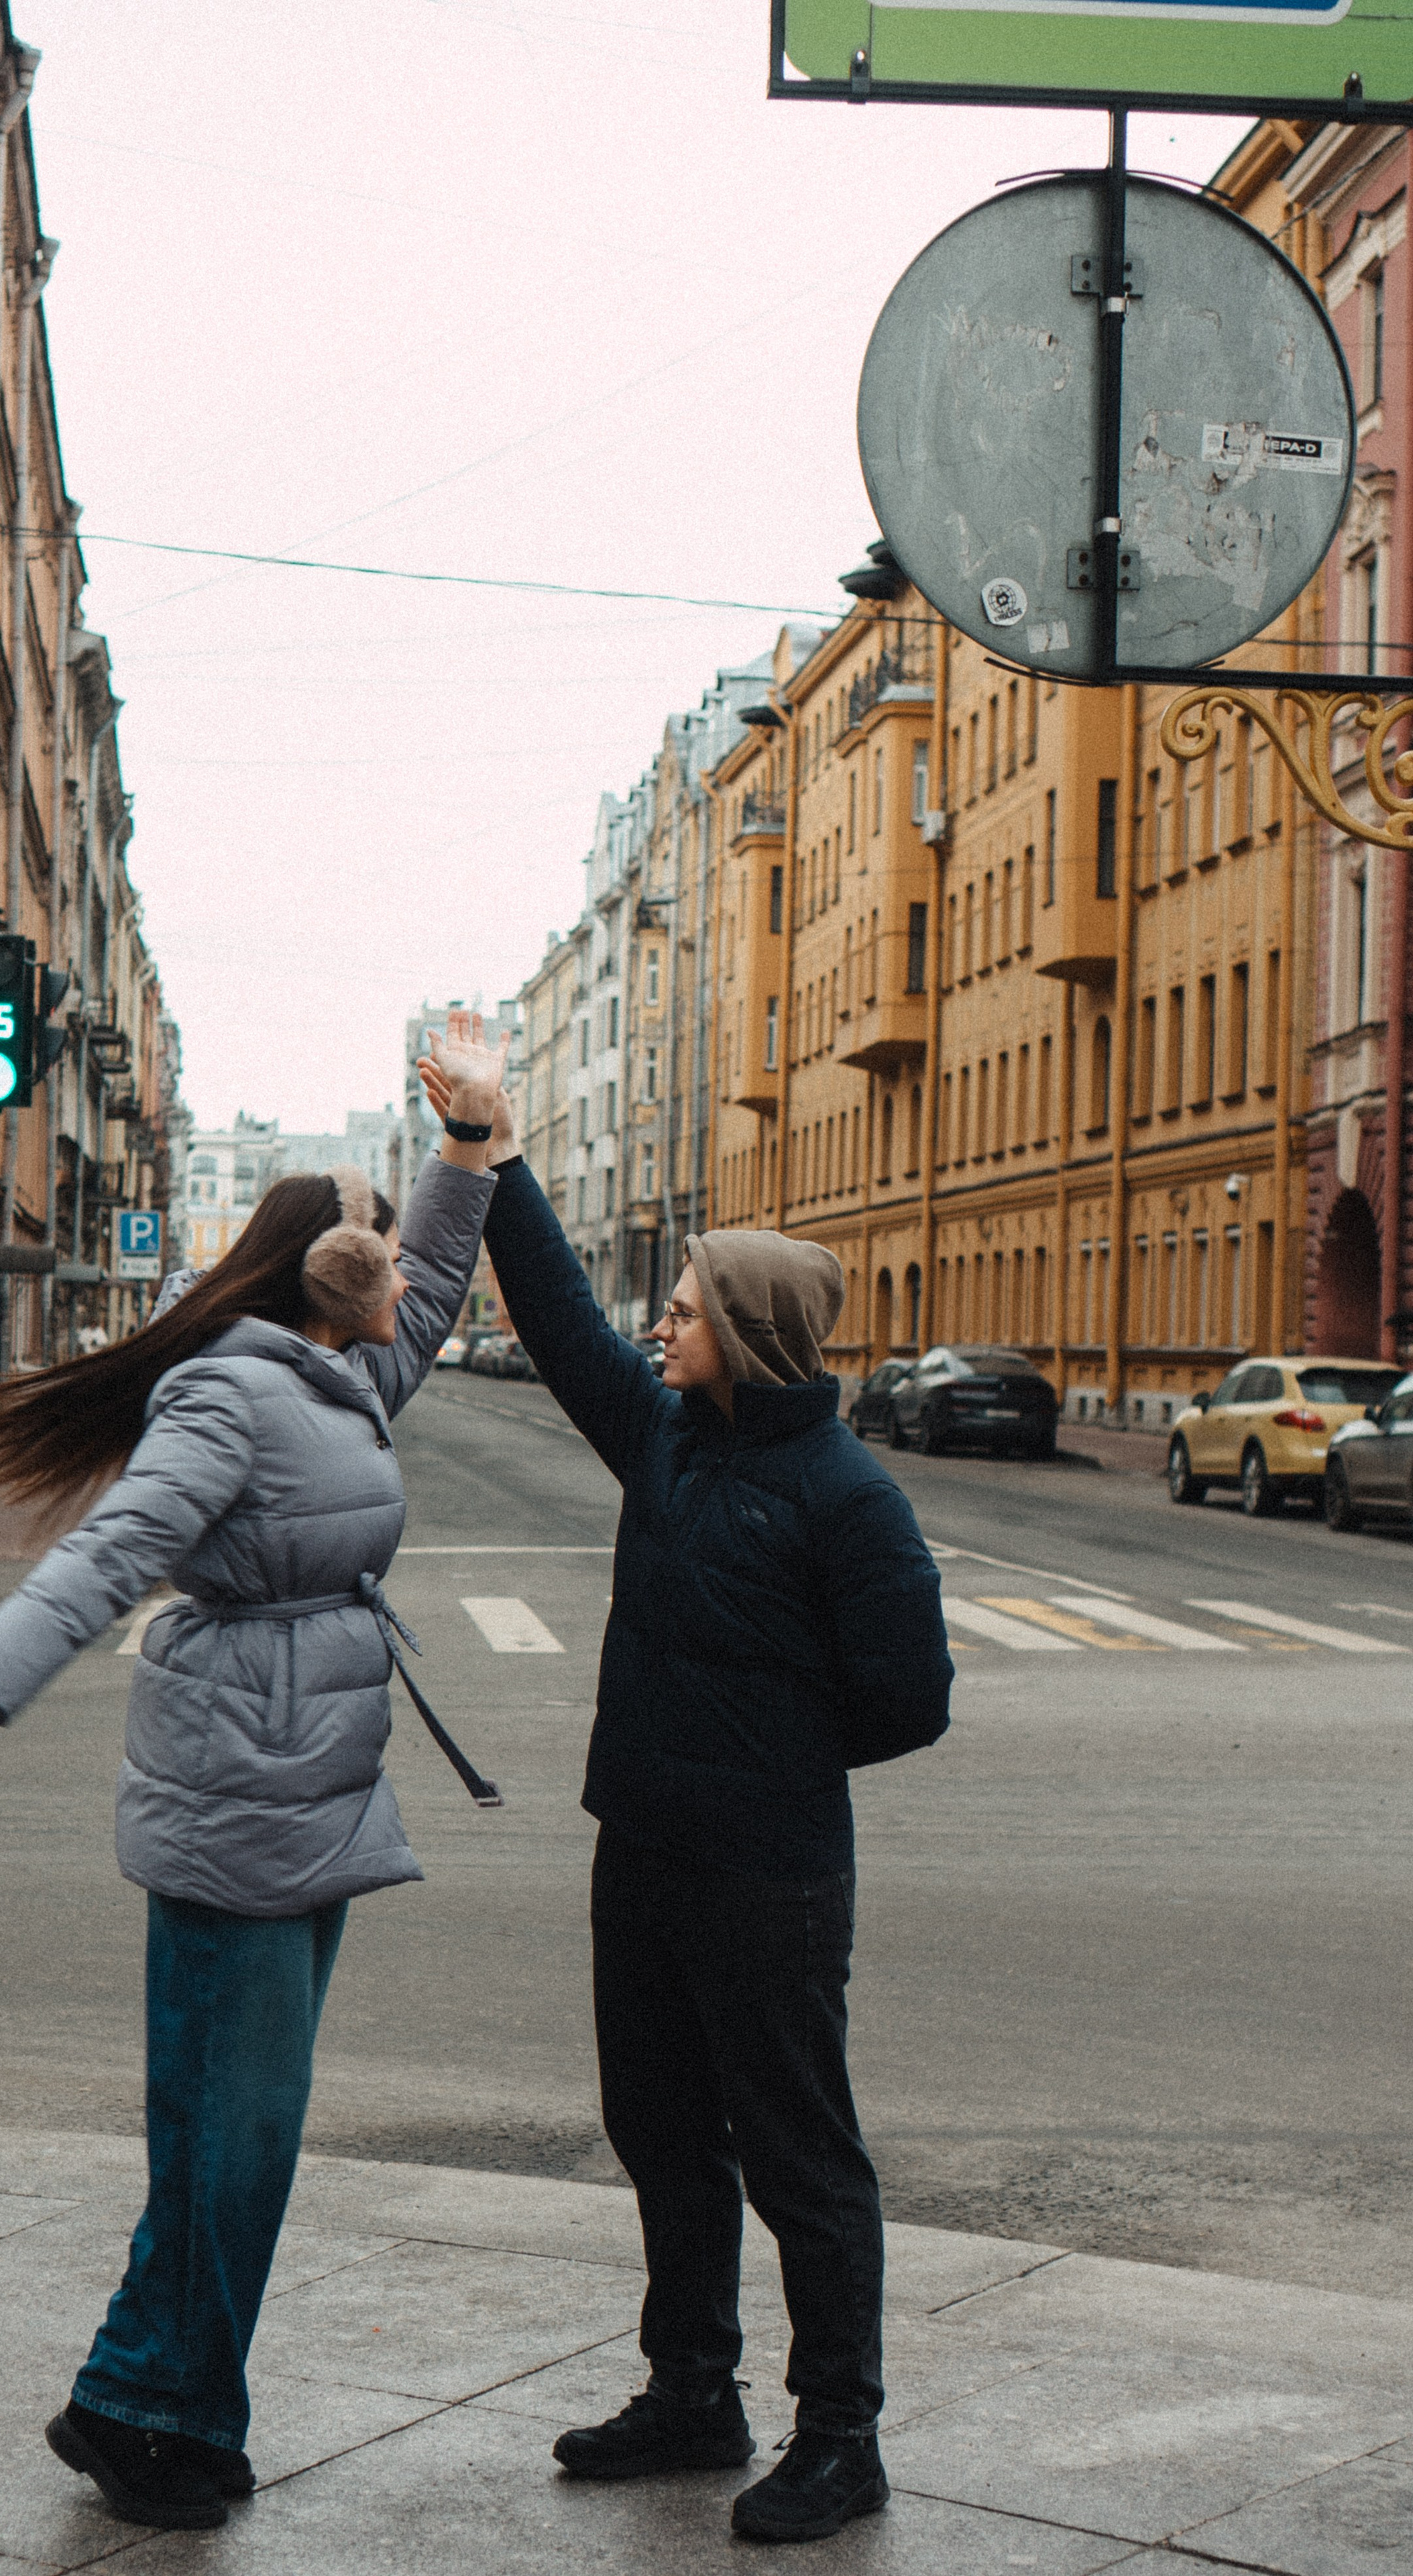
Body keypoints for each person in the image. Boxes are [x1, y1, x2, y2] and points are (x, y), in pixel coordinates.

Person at [0, 1014, 508, 2534]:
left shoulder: (343, 1381)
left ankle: (153, 2399)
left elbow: (434, 1279)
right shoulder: (233, 1392)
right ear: (322, 1275)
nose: (400, 1273)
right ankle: (149, 2405)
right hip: (239, 1784)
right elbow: (116, 1549)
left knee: (242, 2135)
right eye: (375, 1248)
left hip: (314, 1783)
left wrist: (468, 1149)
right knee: (231, 2131)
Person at [419, 1056, 953, 2546]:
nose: (659, 1324)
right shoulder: (661, 1441)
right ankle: (691, 2394)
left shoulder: (851, 1500)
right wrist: (492, 1155)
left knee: (800, 2156)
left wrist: (762, 1754)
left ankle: (839, 2436)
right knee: (658, 2127)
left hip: (768, 1875)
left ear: (748, 1336)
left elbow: (909, 1702)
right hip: (640, 1851)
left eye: (686, 1308)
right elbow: (562, 1323)